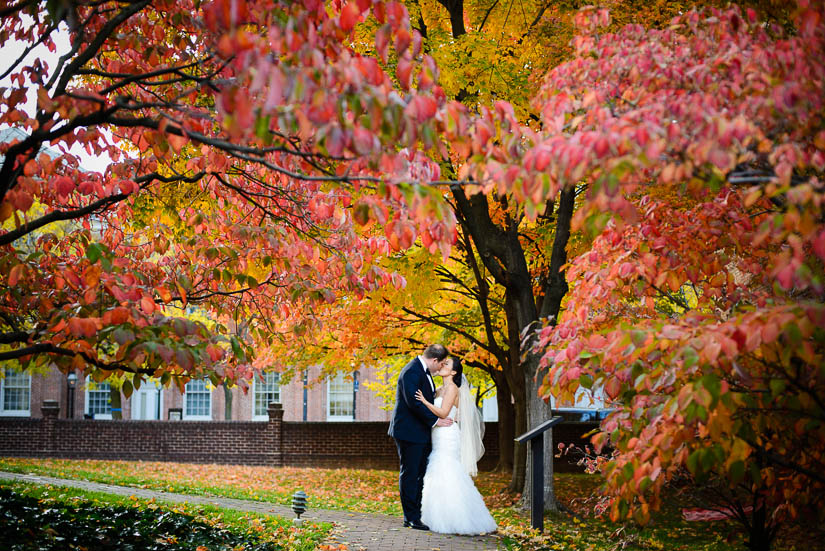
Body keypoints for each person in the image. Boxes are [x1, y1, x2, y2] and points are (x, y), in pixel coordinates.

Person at [415, 356, 497, 535]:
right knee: (438, 472)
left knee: (448, 470)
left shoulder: (452, 388)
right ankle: (438, 516)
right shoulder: (438, 389)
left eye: (447, 364)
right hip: (437, 435)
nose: (442, 365)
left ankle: (460, 519)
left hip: (448, 435)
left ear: (453, 372)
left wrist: (425, 401)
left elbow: (444, 412)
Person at [388, 344, 454, 530]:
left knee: (418, 474)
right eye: (440, 364)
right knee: (410, 474)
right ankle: (410, 518)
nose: (441, 368)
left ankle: (416, 514)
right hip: (409, 432)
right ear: (434, 360)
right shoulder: (412, 371)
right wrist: (435, 421)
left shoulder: (423, 372)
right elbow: (414, 403)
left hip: (420, 433)